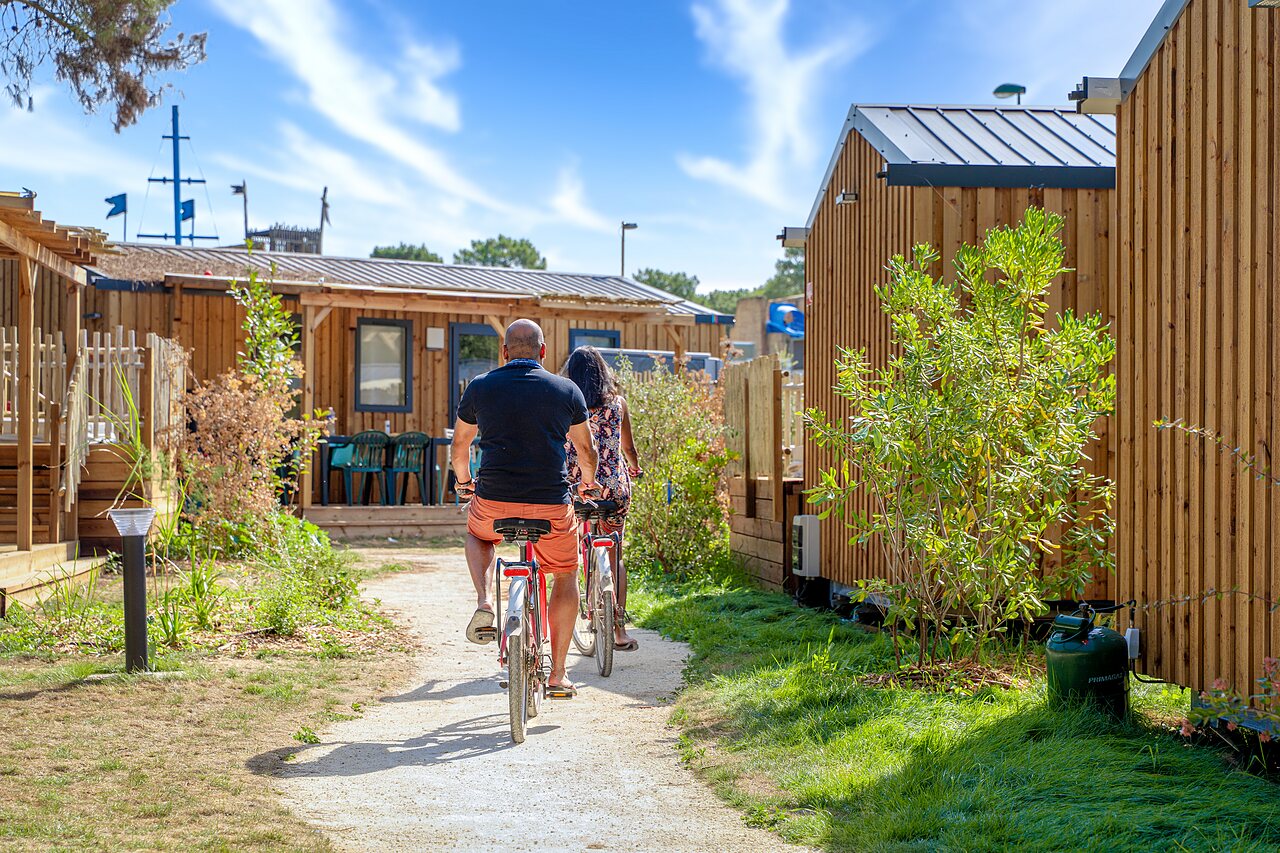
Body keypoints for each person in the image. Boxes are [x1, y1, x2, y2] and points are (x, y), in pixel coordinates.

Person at [451, 319, 598, 697]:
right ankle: (559, 674)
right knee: (565, 573)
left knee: (477, 534)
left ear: (504, 353)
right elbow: (587, 451)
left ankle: (484, 601)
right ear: (543, 352)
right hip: (550, 505)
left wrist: (465, 483)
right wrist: (587, 483)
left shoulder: (480, 387)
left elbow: (460, 447)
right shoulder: (566, 389)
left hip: (494, 500)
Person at [562, 346, 643, 652]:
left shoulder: (568, 402)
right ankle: (619, 630)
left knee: (568, 552)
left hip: (578, 489)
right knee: (614, 554)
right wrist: (634, 467)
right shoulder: (618, 403)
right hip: (615, 490)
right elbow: (629, 449)